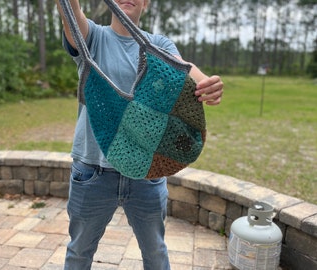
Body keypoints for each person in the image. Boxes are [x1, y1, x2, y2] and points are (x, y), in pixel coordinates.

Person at [55, 0, 224, 269]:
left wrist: (209, 86)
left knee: (155, 253)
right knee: (79, 252)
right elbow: (70, 13)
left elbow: (188, 72)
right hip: (93, 172)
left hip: (149, 172)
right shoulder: (94, 38)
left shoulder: (160, 46)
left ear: (146, 2)